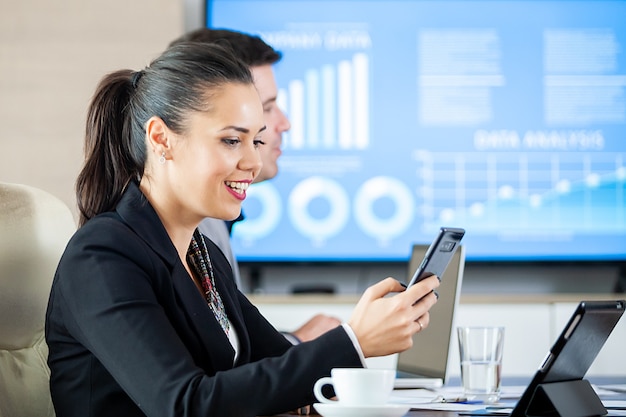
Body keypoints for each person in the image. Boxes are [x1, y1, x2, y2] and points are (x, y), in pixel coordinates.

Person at [44, 41, 440, 417]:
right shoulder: (102, 255)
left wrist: (368, 330)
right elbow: (184, 405)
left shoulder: (202, 255)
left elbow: (276, 367)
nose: (252, 162)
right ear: (161, 139)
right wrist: (354, 342)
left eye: (257, 141)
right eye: (232, 140)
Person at [169, 28, 340, 343]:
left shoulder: (210, 233)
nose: (282, 123)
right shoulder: (185, 231)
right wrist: (307, 344)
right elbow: (206, 378)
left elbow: (235, 353)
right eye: (267, 107)